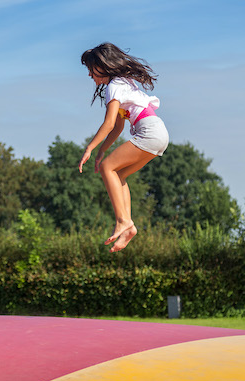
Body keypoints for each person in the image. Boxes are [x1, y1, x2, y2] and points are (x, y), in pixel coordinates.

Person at [78, 43, 169, 252]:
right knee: (117, 174)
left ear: (102, 66)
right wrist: (102, 151)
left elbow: (108, 123)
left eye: (91, 69)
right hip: (158, 133)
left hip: (150, 132)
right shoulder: (122, 83)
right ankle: (128, 225)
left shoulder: (114, 86)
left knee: (107, 168)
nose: (90, 75)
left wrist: (90, 148)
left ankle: (123, 221)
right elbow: (118, 127)